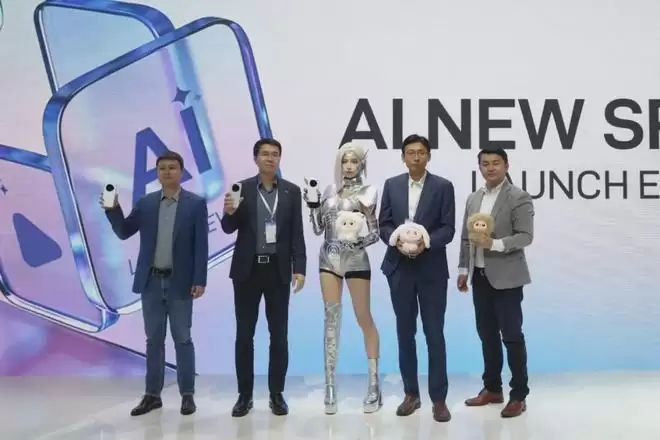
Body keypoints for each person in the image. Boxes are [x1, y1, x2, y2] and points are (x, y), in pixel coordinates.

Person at [102, 150, 208, 417]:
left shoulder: (195, 204)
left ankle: (187, 395)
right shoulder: (146, 203)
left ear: (181, 172)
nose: (167, 172)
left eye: (172, 167)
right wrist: (112, 209)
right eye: (162, 168)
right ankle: (152, 395)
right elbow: (124, 231)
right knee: (153, 340)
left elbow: (201, 246)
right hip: (151, 282)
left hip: (181, 283)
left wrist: (199, 279)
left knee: (183, 338)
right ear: (157, 173)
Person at [220, 138, 306, 417]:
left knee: (279, 336)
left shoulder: (291, 191)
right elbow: (228, 228)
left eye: (275, 154)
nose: (270, 158)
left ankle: (276, 394)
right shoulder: (242, 188)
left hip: (278, 271)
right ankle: (244, 396)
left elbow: (296, 233)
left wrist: (300, 267)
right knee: (244, 335)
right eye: (265, 154)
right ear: (255, 158)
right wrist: (229, 213)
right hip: (247, 271)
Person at [378, 134, 455, 423]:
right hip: (399, 268)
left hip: (431, 269)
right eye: (410, 152)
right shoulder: (392, 185)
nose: (416, 157)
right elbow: (384, 223)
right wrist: (396, 240)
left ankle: (439, 399)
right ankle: (411, 393)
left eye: (421, 152)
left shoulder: (443, 186)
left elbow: (448, 228)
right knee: (404, 332)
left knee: (434, 333)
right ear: (403, 157)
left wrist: (426, 242)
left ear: (429, 156)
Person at [303, 142, 382, 415]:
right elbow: (318, 230)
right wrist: (313, 206)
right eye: (345, 161)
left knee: (363, 317)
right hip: (328, 258)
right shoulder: (329, 191)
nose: (349, 166)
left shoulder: (368, 192)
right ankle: (330, 386)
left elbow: (375, 232)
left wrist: (359, 243)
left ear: (361, 164)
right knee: (331, 318)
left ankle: (374, 384)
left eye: (354, 161)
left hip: (356, 258)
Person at [457, 148, 533, 418]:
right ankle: (492, 388)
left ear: (506, 165)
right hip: (479, 277)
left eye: (496, 163)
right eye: (485, 164)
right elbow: (466, 237)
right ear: (479, 167)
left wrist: (495, 244)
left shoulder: (518, 197)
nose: (490, 168)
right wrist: (463, 269)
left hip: (508, 278)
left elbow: (525, 236)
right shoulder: (473, 198)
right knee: (487, 335)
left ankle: (519, 395)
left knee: (511, 336)